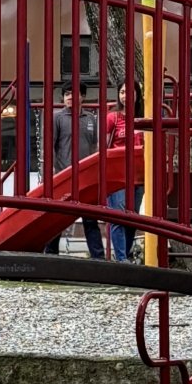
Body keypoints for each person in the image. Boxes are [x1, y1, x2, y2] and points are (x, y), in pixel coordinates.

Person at [48, 86, 105, 259]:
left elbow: (95, 146)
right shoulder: (57, 118)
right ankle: (50, 255)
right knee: (56, 219)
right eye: (66, 94)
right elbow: (50, 146)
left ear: (83, 96)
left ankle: (98, 258)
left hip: (86, 176)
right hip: (63, 176)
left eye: (74, 93)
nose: (70, 97)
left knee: (90, 218)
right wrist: (52, 173)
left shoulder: (90, 118)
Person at [104, 82, 142, 262]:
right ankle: (121, 258)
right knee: (118, 214)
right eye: (122, 92)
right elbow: (103, 145)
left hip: (139, 174)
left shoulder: (142, 117)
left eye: (129, 92)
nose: (125, 96)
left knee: (132, 216)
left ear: (137, 94)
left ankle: (124, 254)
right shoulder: (113, 117)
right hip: (117, 173)